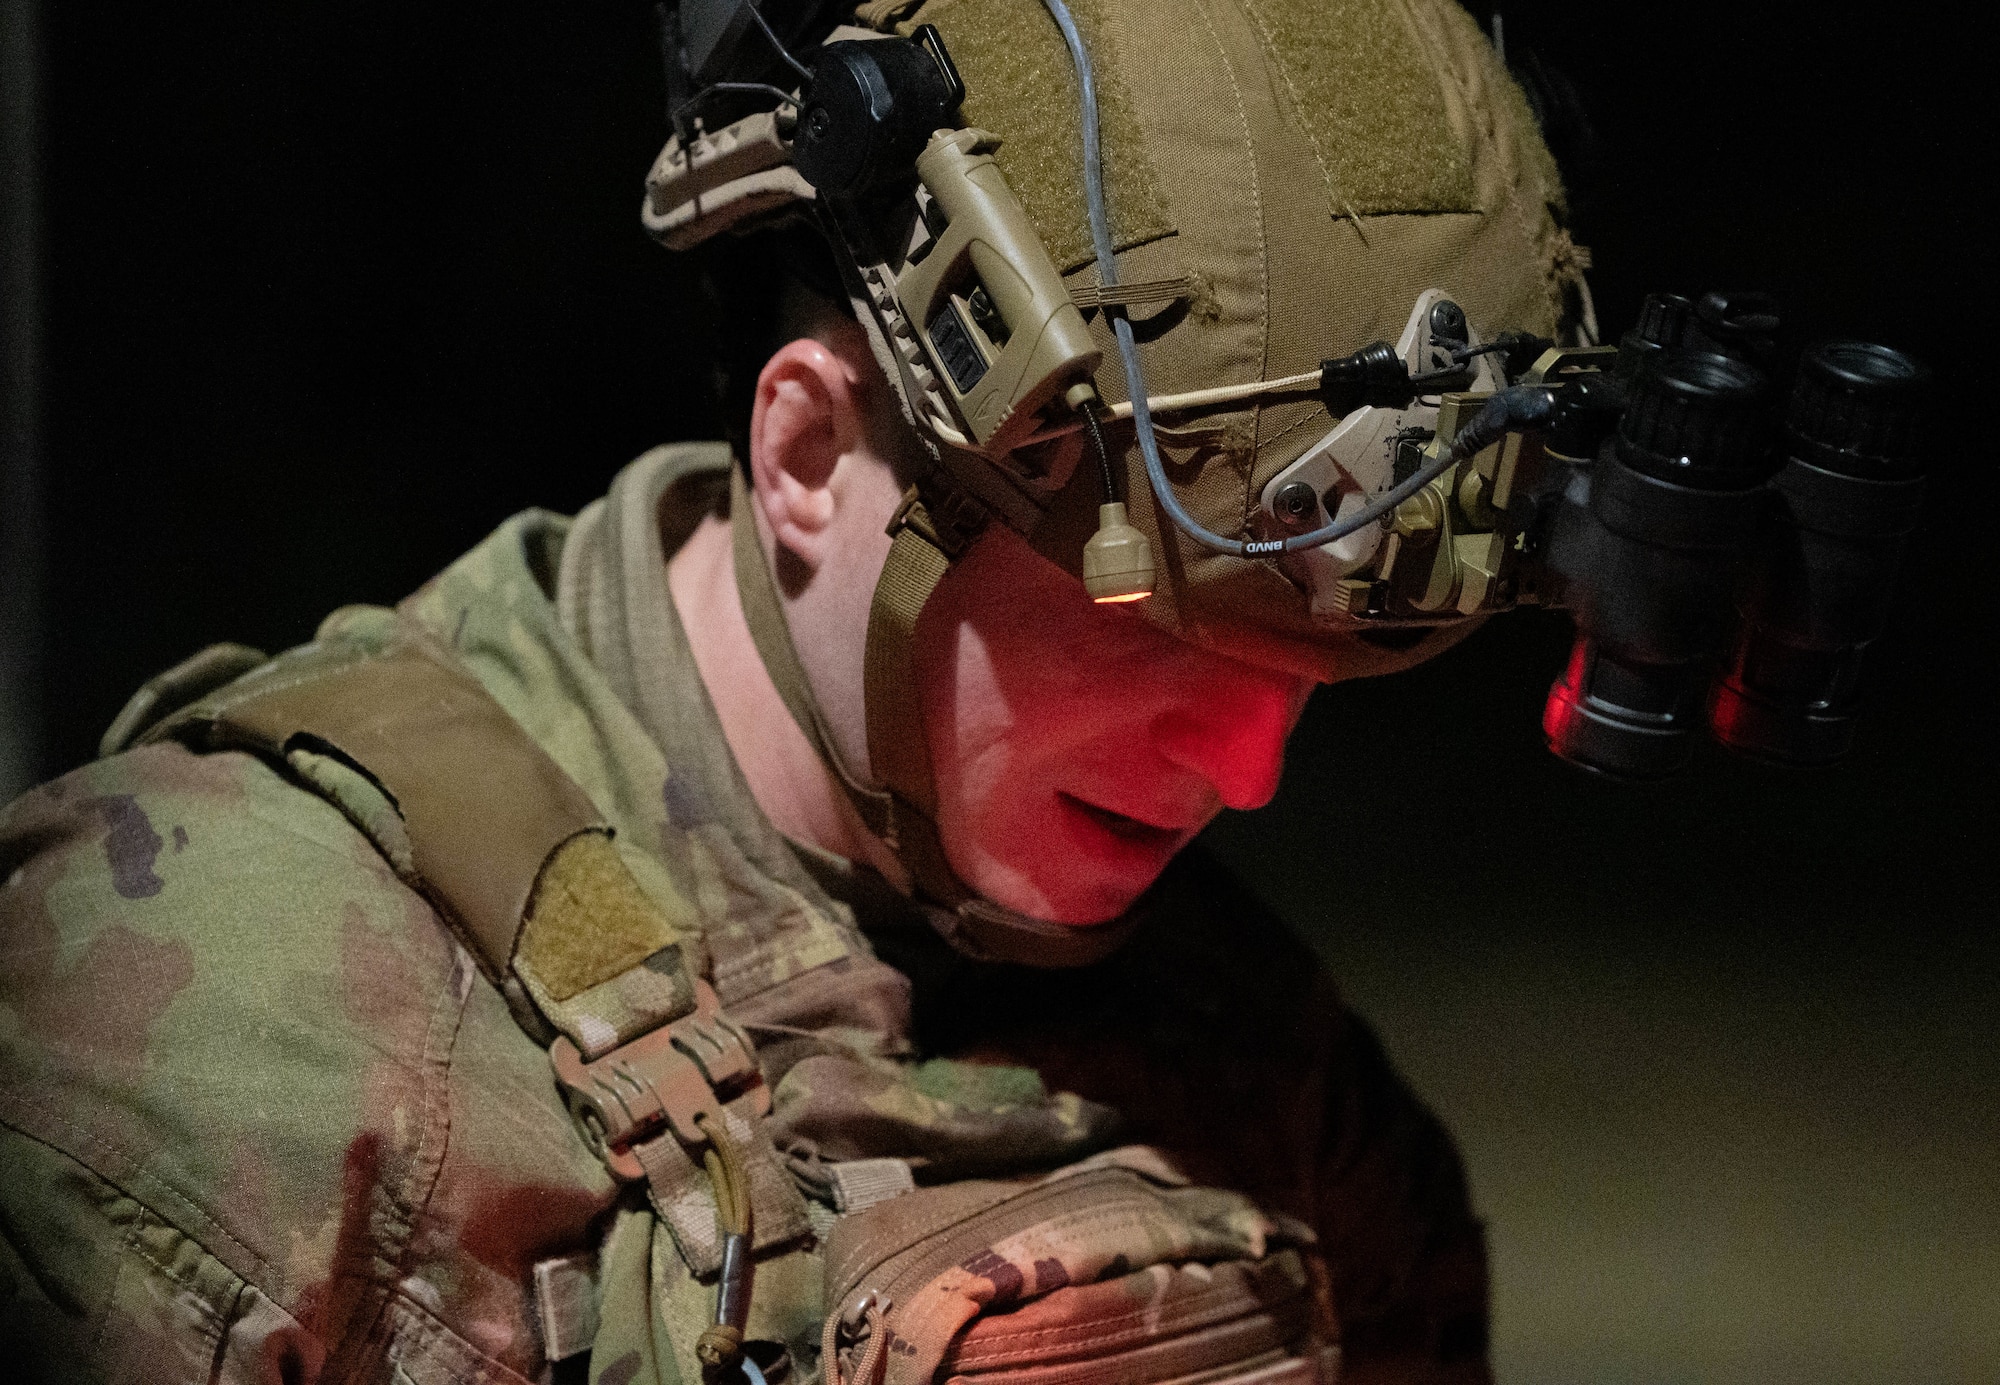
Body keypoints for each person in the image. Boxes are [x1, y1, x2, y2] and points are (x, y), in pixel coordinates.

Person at [0, 2, 1585, 1382]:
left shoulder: (1254, 1052)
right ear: (814, 455)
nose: (1250, 771)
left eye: (1310, 664)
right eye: (1158, 626)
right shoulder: (214, 1035)